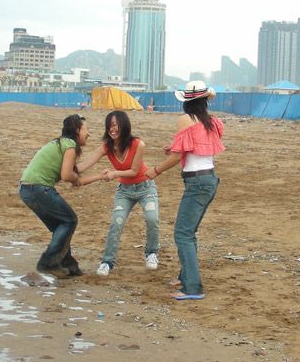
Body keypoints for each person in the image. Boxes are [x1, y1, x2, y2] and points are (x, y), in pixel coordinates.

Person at [146, 81, 225, 300]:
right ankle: (184, 276)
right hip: (209, 179)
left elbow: (178, 155)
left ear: (186, 102)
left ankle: (193, 288)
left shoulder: (184, 120)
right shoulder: (213, 122)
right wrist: (173, 149)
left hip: (197, 183)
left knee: (183, 234)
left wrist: (156, 170)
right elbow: (197, 148)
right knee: (188, 232)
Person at [19, 114, 105, 278]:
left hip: (27, 189)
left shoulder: (62, 144)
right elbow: (68, 175)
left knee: (61, 226)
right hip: (38, 188)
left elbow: (75, 171)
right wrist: (74, 179)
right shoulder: (70, 145)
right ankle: (49, 263)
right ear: (77, 130)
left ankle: (68, 265)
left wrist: (100, 161)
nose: (89, 134)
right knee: (69, 220)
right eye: (86, 130)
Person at [77, 110, 160, 276]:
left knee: (152, 218)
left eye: (115, 125)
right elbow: (86, 164)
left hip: (145, 187)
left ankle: (151, 253)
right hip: (125, 191)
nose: (112, 129)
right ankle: (107, 262)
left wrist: (114, 174)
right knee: (116, 223)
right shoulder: (107, 147)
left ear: (124, 125)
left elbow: (134, 171)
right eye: (109, 126)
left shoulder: (138, 144)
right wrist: (68, 171)